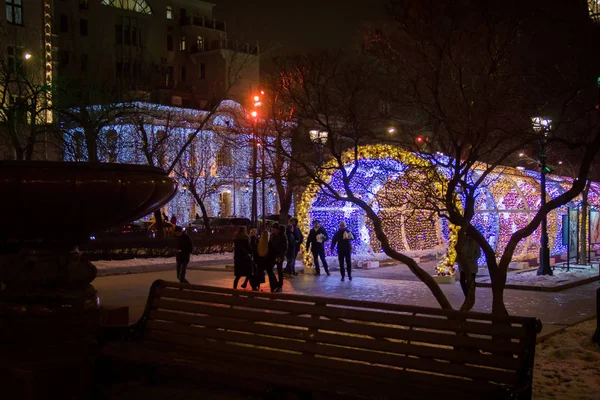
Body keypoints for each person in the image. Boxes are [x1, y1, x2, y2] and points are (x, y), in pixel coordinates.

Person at [268, 223, 287, 292]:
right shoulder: (272, 235)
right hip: (272, 255)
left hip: (279, 256)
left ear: (277, 229)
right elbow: (270, 244)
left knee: (279, 270)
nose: (272, 230)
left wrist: (281, 256)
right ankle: (274, 284)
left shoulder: (282, 236)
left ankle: (280, 285)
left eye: (274, 229)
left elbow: (284, 247)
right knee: (269, 269)